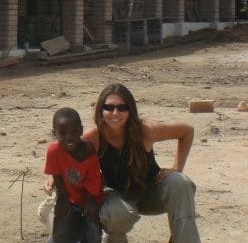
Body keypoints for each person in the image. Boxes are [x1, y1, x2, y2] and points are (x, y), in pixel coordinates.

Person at [84, 83, 201, 243]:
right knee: (117, 214)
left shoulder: (146, 130)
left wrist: (176, 168)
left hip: (150, 193)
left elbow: (186, 130)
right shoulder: (95, 136)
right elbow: (67, 154)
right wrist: (52, 179)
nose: (115, 113)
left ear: (130, 110)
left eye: (122, 108)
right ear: (100, 110)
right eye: (109, 107)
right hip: (118, 197)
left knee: (180, 183)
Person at [44, 107, 104, 243]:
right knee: (62, 229)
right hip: (70, 198)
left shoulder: (88, 151)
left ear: (81, 131)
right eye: (62, 133)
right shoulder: (53, 151)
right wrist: (63, 198)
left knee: (91, 232)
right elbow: (57, 175)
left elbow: (94, 179)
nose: (69, 137)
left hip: (91, 198)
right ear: (54, 133)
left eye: (74, 131)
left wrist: (89, 201)